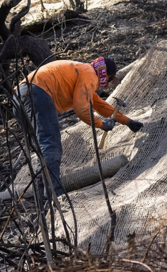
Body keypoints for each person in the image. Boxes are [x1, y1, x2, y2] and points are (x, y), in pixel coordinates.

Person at [13, 57, 143, 197]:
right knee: (50, 144)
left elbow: (100, 105)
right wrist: (102, 124)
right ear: (106, 73)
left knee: (41, 146)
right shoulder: (90, 74)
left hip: (20, 95)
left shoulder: (83, 71)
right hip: (38, 93)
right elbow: (81, 109)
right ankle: (53, 193)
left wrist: (128, 122)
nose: (108, 84)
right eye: (110, 79)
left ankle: (42, 191)